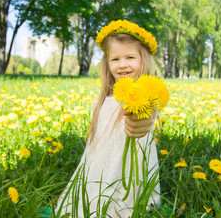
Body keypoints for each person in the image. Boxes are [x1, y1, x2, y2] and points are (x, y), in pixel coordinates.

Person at [55, 20, 160, 217]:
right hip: (101, 170)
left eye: (130, 57)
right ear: (107, 63)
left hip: (128, 176)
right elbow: (92, 153)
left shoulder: (143, 96)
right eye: (115, 59)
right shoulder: (104, 101)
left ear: (143, 60)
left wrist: (142, 121)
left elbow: (145, 117)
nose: (123, 65)